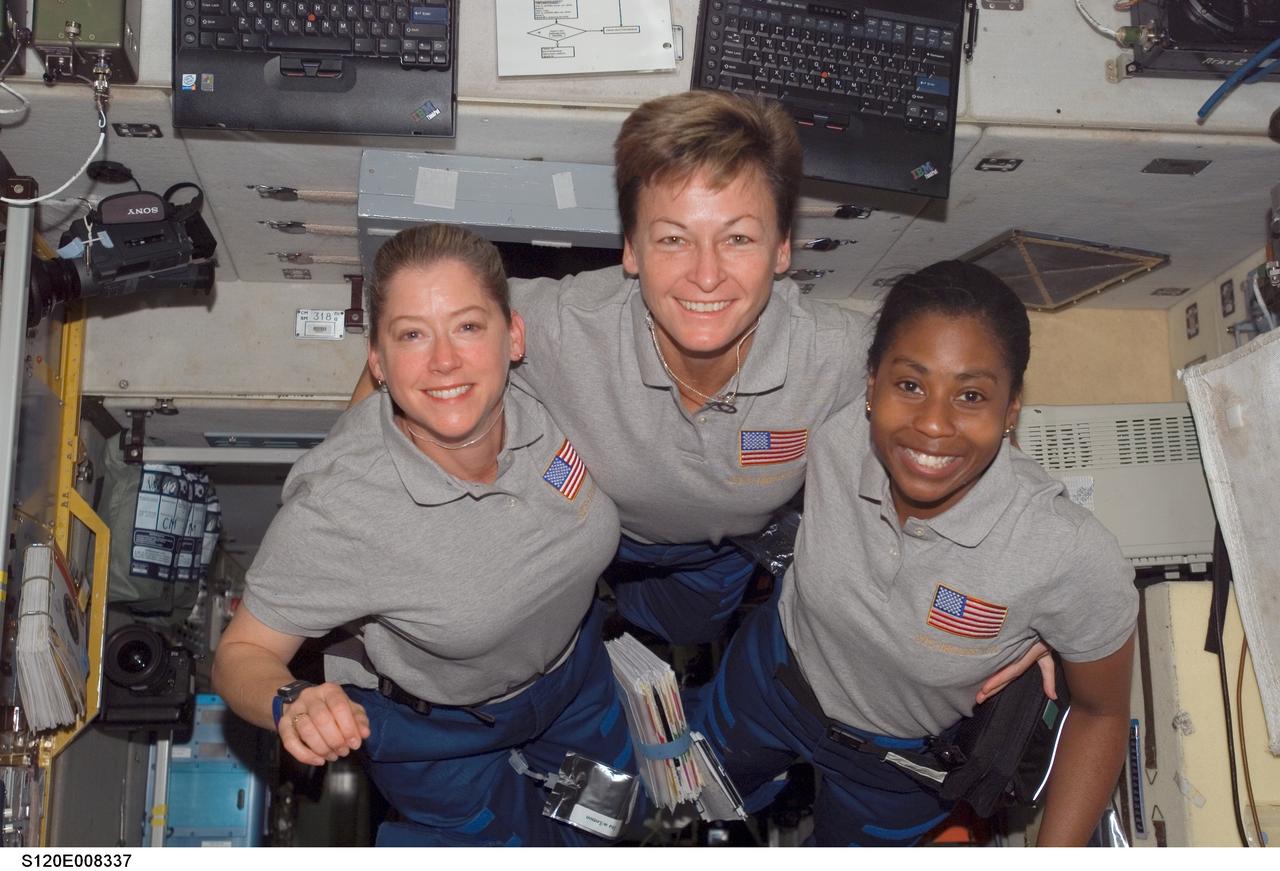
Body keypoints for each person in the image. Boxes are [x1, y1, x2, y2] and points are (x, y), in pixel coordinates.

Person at [357, 90, 870, 646]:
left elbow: (956, 423)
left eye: (738, 238)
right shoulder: (561, 323)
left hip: (715, 554)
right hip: (575, 522)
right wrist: (363, 505)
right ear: (630, 251)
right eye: (673, 239)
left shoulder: (840, 355)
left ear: (782, 250)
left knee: (677, 634)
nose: (705, 275)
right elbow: (404, 355)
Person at [212, 224, 638, 847]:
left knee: (608, 817)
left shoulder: (552, 390)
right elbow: (238, 655)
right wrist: (291, 703)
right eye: (413, 334)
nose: (444, 360)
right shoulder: (340, 509)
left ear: (514, 336)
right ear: (379, 362)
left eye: (468, 326)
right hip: (439, 734)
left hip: (574, 678)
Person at [688, 261, 1138, 846]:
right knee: (686, 798)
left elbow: (1100, 713)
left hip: (895, 768)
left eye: (971, 395)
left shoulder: (1064, 552)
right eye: (910, 385)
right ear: (871, 384)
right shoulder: (830, 425)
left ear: (1010, 410)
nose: (933, 424)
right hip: (772, 683)